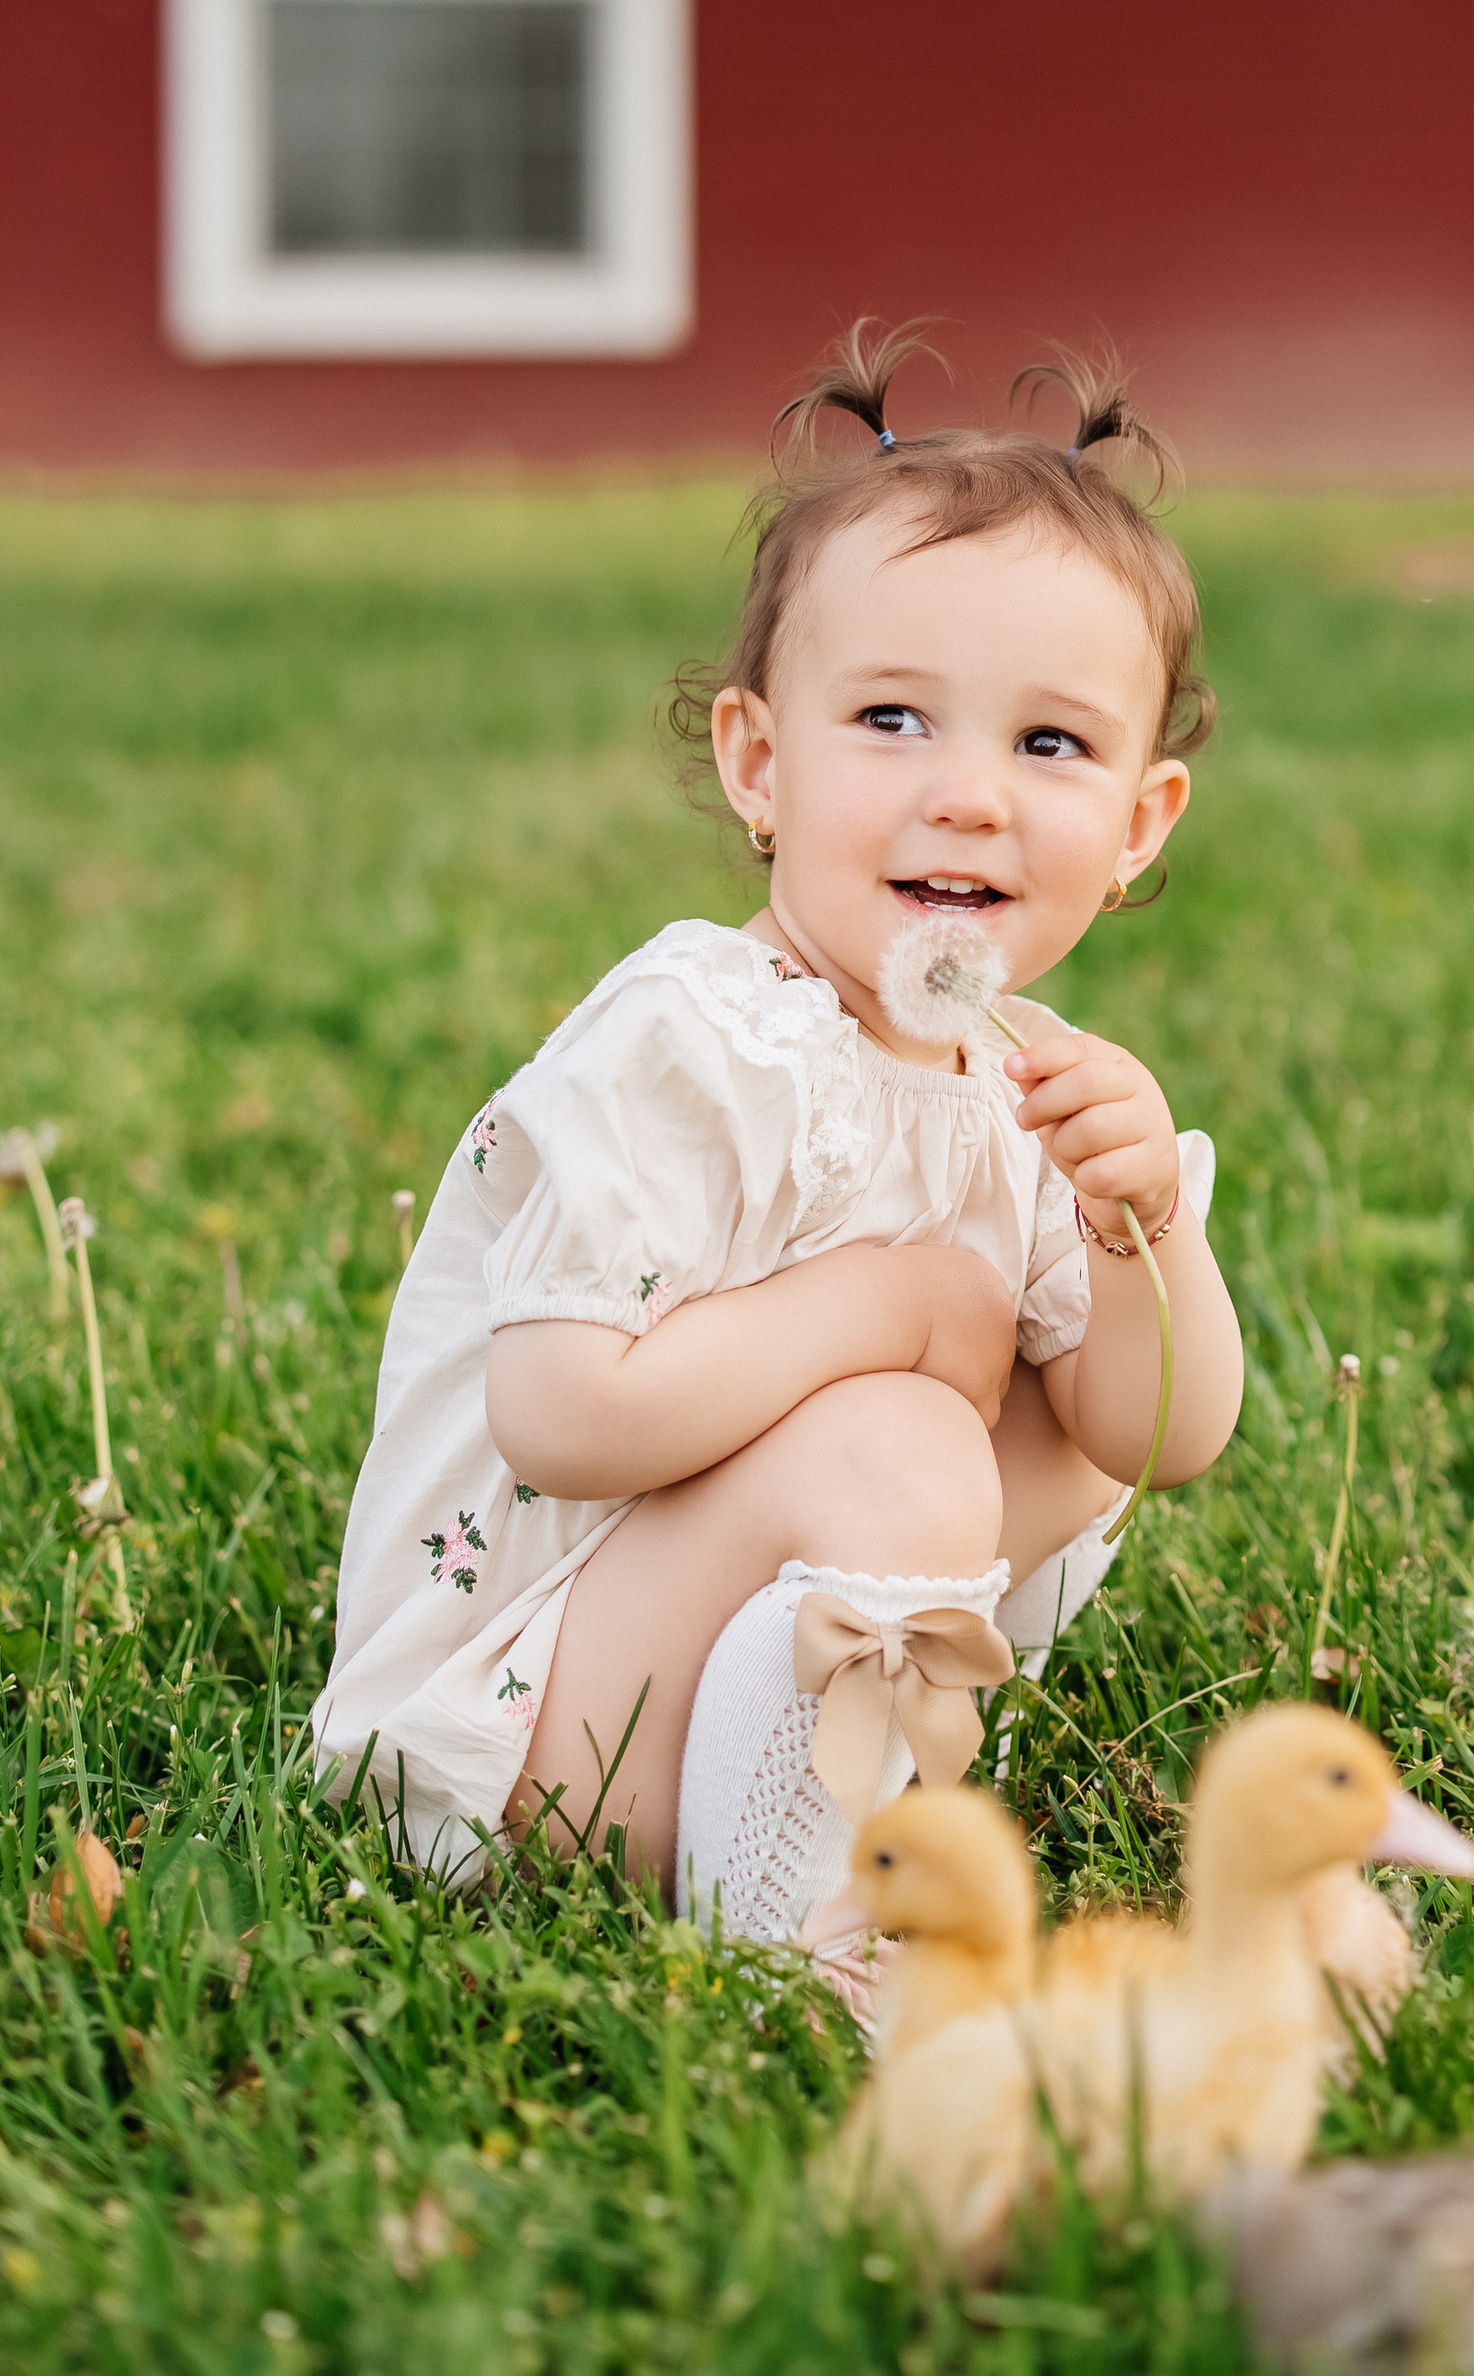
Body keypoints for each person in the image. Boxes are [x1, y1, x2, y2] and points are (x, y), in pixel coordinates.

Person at [312, 323, 1244, 1950]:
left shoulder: (1034, 1091)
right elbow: (559, 1414)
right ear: (758, 764)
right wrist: (892, 1307)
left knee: (1020, 1416)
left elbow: (1151, 1440)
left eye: (1048, 744)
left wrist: (1143, 1221)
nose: (968, 795)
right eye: (893, 719)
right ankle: (811, 1927)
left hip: (730, 1668)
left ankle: (824, 1808)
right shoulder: (700, 1039)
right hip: (544, 1728)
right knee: (903, 1430)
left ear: (1136, 828)